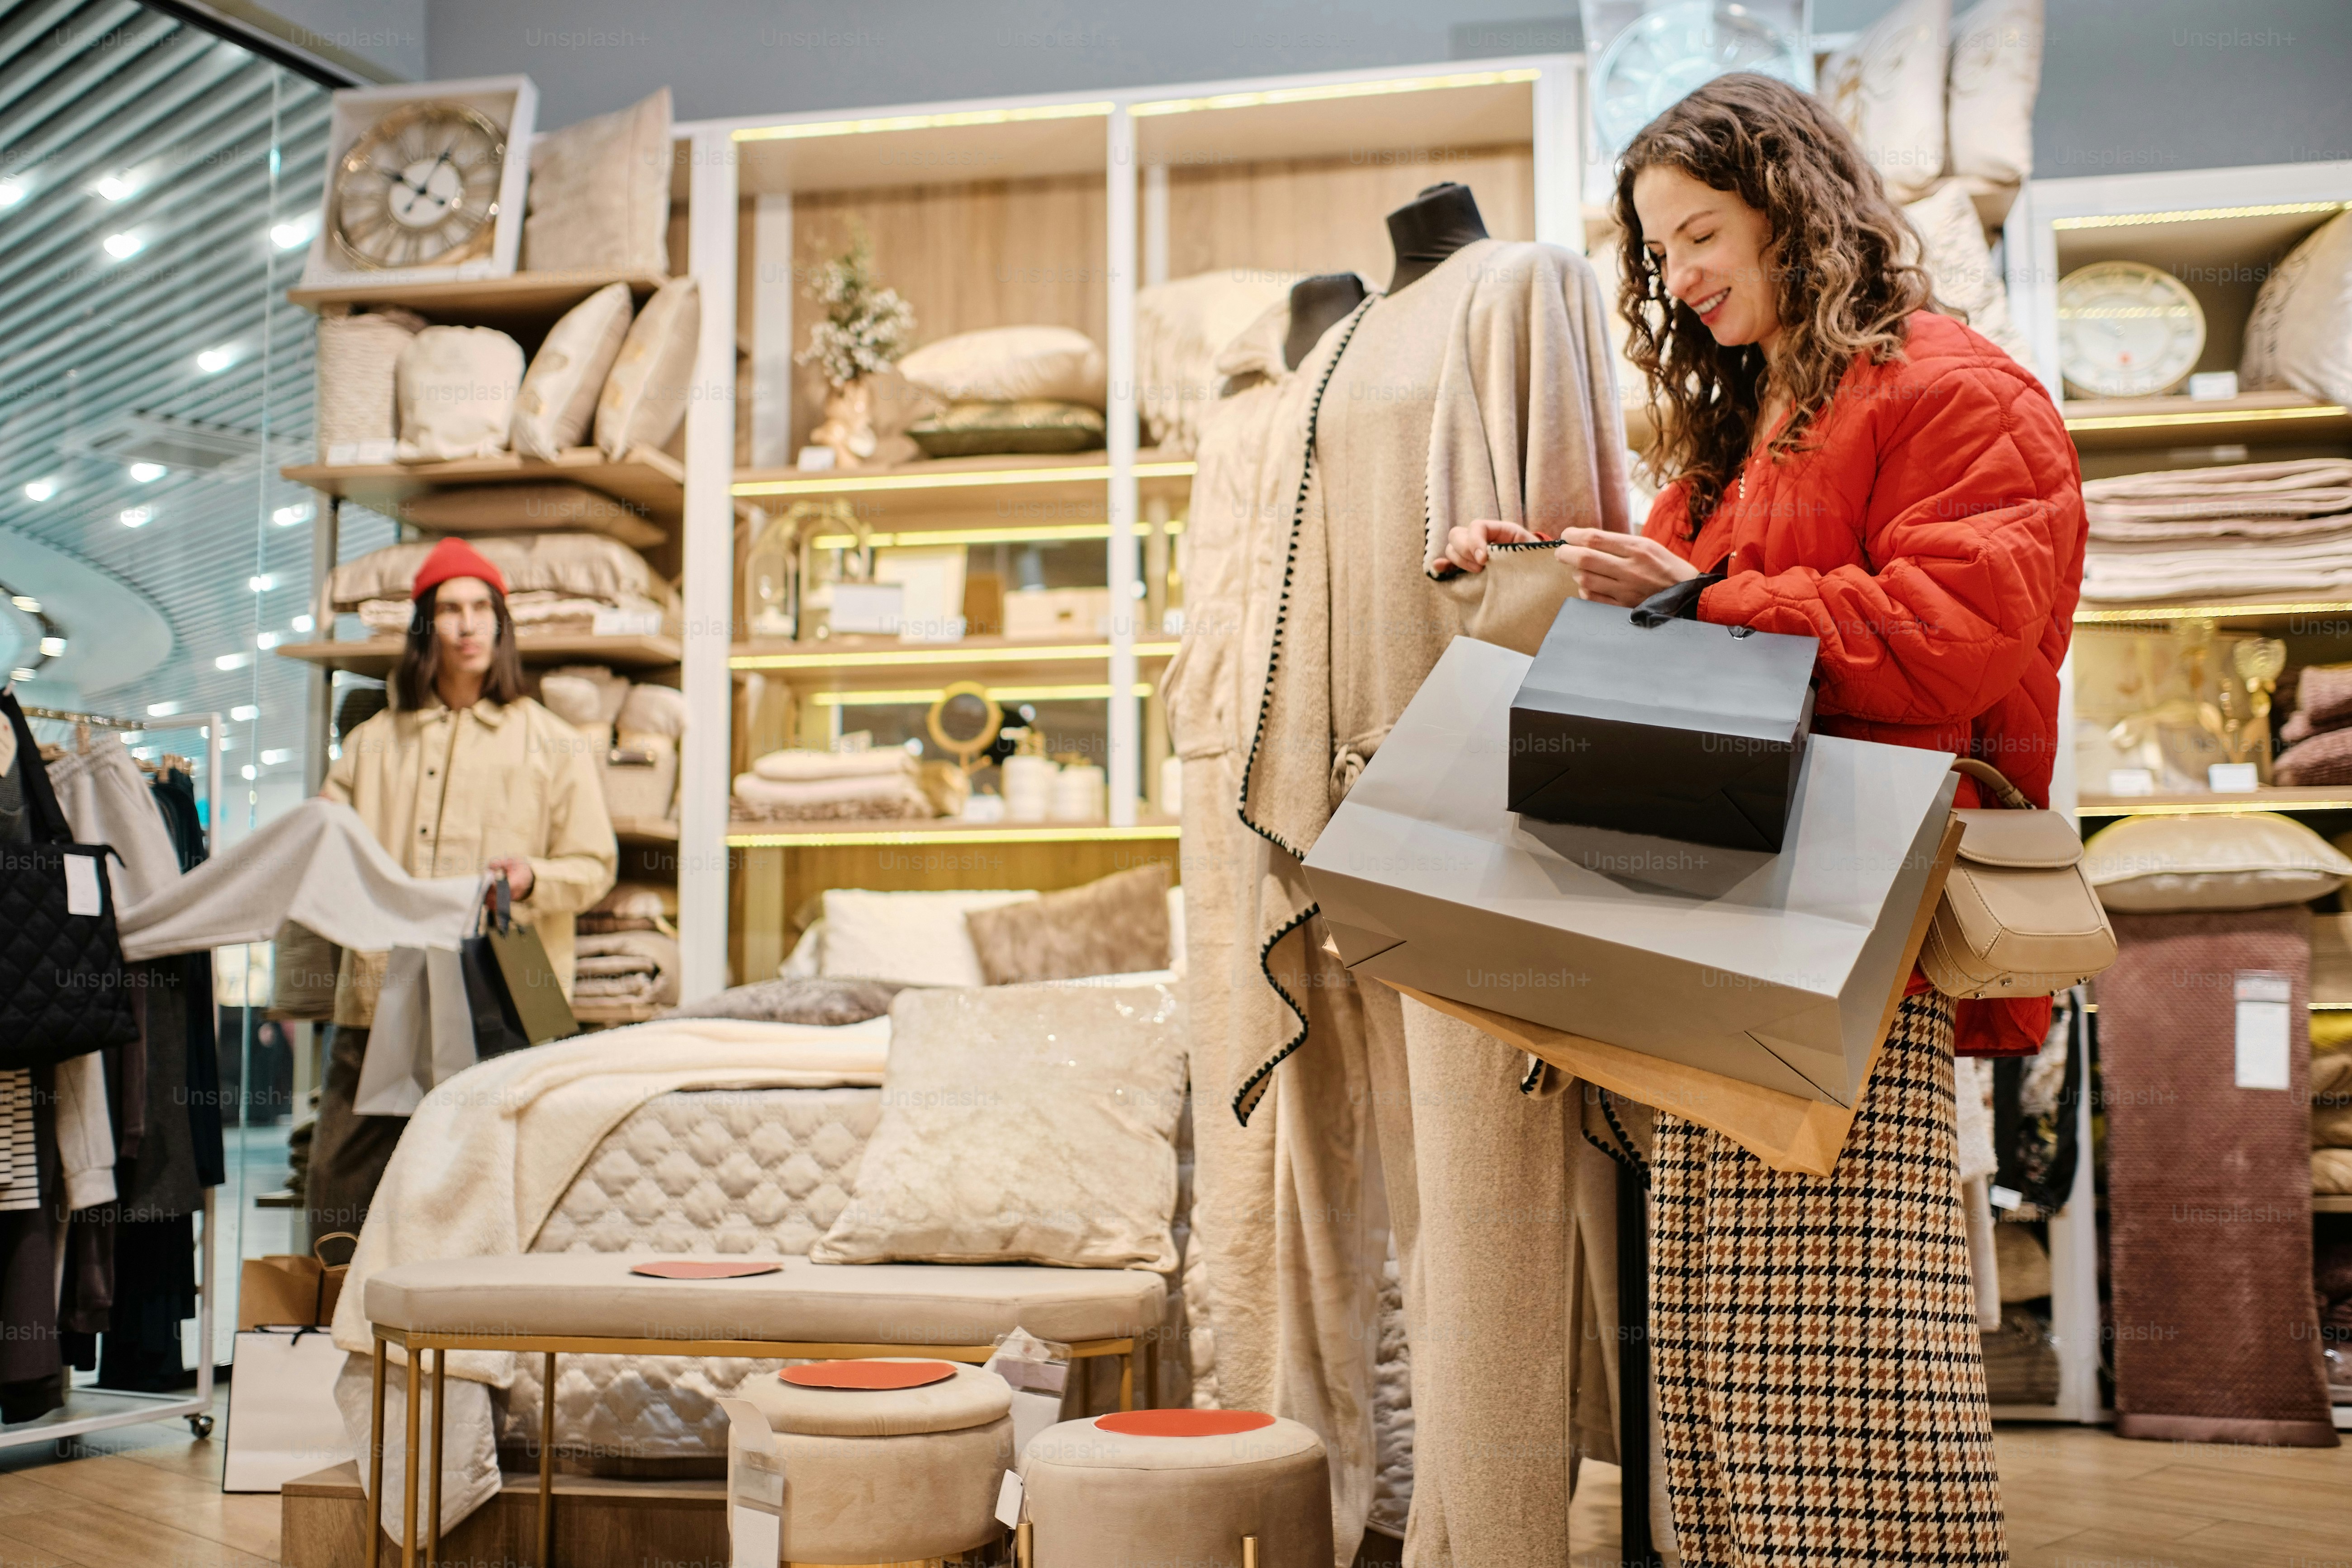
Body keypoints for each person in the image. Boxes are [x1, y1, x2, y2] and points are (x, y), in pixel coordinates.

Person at [1442, 73, 2082, 1563]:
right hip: (1742, 927)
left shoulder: (1956, 390)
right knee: (1730, 1342)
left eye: (1702, 232)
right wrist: (1529, 562)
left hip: (1859, 938)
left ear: (1795, 204)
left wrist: (1700, 595)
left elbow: (1961, 628)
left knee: (1847, 1349)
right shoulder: (1747, 432)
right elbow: (1655, 590)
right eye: (1660, 254)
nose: (1681, 276)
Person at [307, 536, 616, 1240]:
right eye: (450, 609)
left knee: (503, 1166)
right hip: (388, 976)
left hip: (515, 981)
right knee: (345, 1174)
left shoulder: (552, 740)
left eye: (483, 608)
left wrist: (534, 877)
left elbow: (596, 863)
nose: (469, 624)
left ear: (502, 624)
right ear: (426, 626)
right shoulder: (374, 744)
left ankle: (490, 1325)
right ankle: (328, 1328)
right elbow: (326, 858)